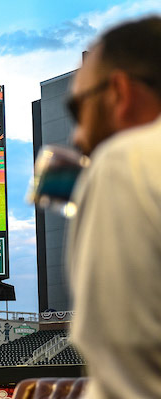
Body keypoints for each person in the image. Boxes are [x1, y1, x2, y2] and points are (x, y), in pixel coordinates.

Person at [66, 17, 161, 399]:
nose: (77, 135)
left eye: (78, 109)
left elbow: (128, 379)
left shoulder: (126, 159)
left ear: (120, 91)